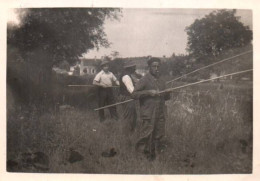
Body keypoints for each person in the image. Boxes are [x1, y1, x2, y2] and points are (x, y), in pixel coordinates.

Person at [132, 57, 170, 161]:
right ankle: (140, 158)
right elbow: (134, 94)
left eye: (158, 66)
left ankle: (155, 157)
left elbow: (166, 98)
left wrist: (167, 92)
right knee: (146, 135)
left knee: (159, 135)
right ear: (149, 67)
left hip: (160, 112)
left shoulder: (162, 81)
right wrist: (148, 92)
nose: (156, 68)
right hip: (149, 113)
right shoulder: (144, 80)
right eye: (154, 66)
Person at [119, 62, 139, 135]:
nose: (135, 69)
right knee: (128, 116)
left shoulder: (128, 75)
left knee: (133, 115)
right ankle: (126, 134)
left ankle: (131, 132)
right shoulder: (126, 76)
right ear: (130, 68)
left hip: (127, 96)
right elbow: (131, 90)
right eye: (134, 67)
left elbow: (135, 82)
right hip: (127, 97)